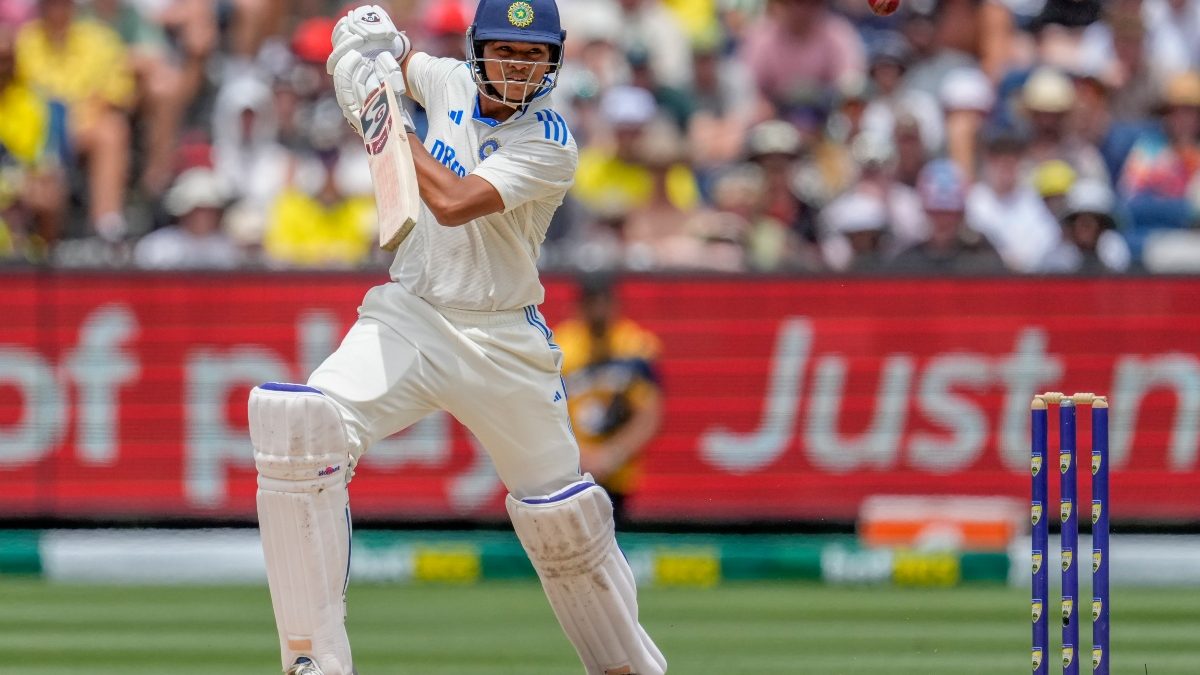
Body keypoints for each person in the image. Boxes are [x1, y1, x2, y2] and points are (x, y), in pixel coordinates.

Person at [246, 4, 667, 675]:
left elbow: (453, 199)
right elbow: (385, 53)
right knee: (298, 427)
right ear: (478, 51)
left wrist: (381, 117)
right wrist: (361, 49)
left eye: (533, 56)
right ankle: (313, 660)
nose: (518, 67)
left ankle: (627, 666)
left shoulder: (551, 142)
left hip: (503, 340)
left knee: (562, 514)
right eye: (506, 51)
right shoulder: (445, 83)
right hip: (412, 314)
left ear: (554, 62)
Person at [556, 275, 664, 526]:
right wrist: (578, 454)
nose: (599, 312)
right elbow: (542, 412)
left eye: (604, 303)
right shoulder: (560, 346)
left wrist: (613, 453)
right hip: (571, 469)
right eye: (592, 303)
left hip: (617, 470)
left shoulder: (635, 347)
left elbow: (649, 413)